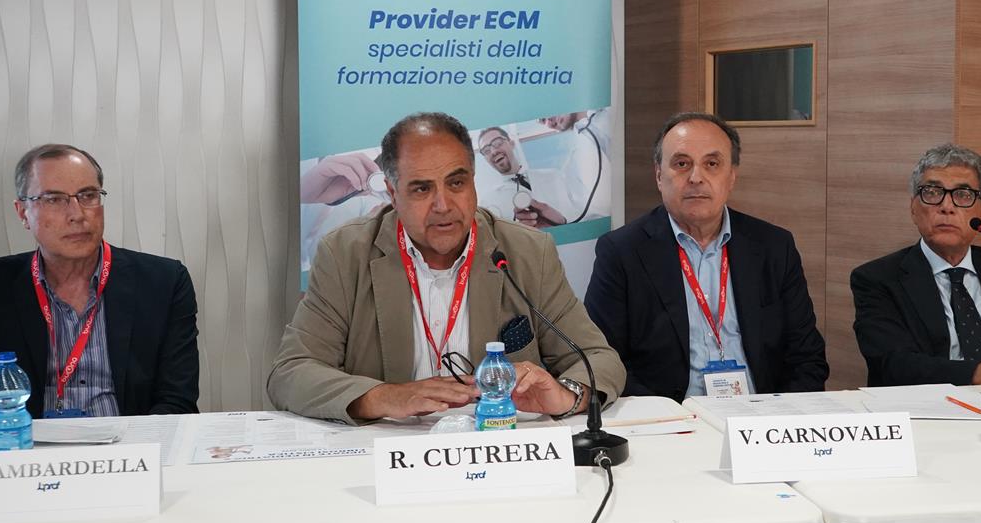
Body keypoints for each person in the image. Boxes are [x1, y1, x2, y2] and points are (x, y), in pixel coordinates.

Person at [268, 112, 624, 423]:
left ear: (473, 180)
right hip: (388, 452)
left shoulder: (528, 252)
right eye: (422, 189)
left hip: (496, 446)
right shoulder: (346, 254)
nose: (443, 205)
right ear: (392, 193)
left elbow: (598, 359)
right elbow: (292, 371)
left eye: (456, 183)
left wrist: (567, 395)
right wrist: (384, 397)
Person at [0, 144, 200, 451]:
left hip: (128, 454)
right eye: (54, 199)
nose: (77, 214)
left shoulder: (163, 282)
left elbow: (177, 400)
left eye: (88, 195)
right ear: (23, 213)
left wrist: (134, 456)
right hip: (21, 455)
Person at [584, 112, 827, 400]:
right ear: (659, 176)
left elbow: (807, 358)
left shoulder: (774, 246)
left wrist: (774, 415)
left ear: (731, 176)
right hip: (671, 416)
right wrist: (671, 417)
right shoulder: (621, 252)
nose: (696, 178)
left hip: (760, 414)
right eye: (681, 164)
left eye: (712, 164)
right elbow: (604, 360)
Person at [851, 144, 981, 387]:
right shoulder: (878, 279)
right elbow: (895, 366)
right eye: (932, 192)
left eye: (963, 195)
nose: (947, 207)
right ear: (913, 208)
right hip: (932, 403)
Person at [476, 125, 575, 229]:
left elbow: (580, 213)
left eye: (497, 143)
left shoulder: (554, 176)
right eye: (486, 150)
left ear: (511, 143)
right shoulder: (487, 203)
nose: (493, 152)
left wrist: (562, 221)